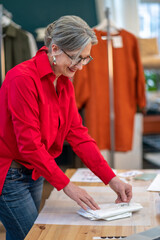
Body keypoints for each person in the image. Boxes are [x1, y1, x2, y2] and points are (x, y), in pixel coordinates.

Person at [0, 15, 132, 240]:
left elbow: (78, 135)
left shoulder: (63, 81)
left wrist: (111, 178)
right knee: (32, 236)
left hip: (35, 171)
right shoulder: (22, 79)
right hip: (9, 174)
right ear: (55, 49)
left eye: (86, 59)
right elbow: (29, 145)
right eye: (76, 58)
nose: (80, 66)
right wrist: (67, 186)